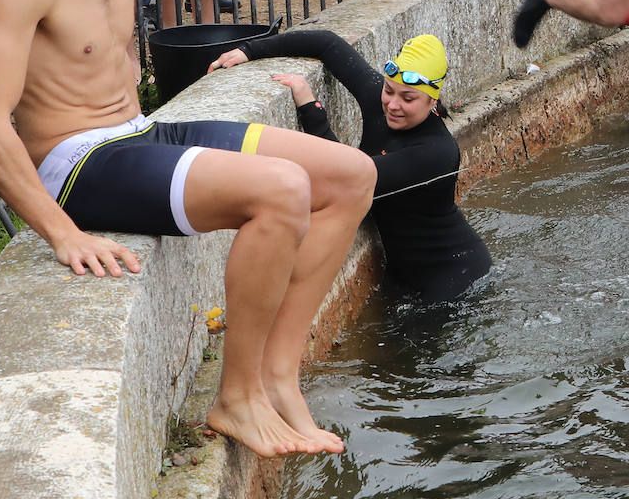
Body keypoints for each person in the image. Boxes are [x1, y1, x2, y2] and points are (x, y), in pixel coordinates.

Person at [0, 0, 376, 458]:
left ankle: (277, 374)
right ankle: (236, 399)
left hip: (137, 130)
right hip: (79, 162)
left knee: (351, 175)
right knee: (281, 192)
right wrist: (62, 234)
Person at [210, 31, 492, 303]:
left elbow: (346, 176)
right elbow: (327, 43)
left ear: (432, 101)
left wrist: (311, 109)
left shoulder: (436, 153)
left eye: (408, 99)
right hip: (407, 274)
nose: (393, 105)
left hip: (456, 280)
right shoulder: (380, 102)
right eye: (389, 90)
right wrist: (249, 50)